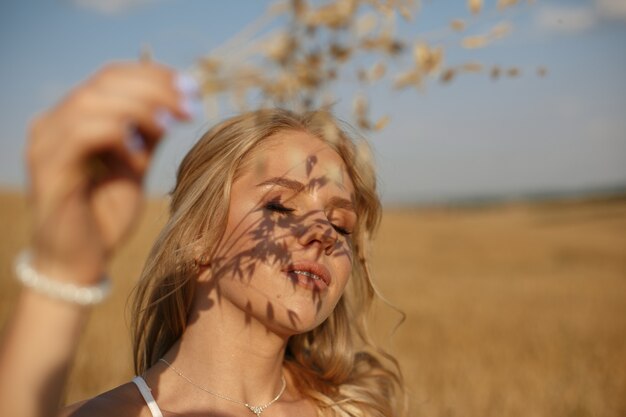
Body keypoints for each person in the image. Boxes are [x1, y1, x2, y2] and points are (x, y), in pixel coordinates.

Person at [0, 62, 405, 417]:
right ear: (198, 236)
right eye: (280, 207)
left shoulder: (358, 410)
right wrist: (65, 271)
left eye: (341, 224)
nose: (322, 234)